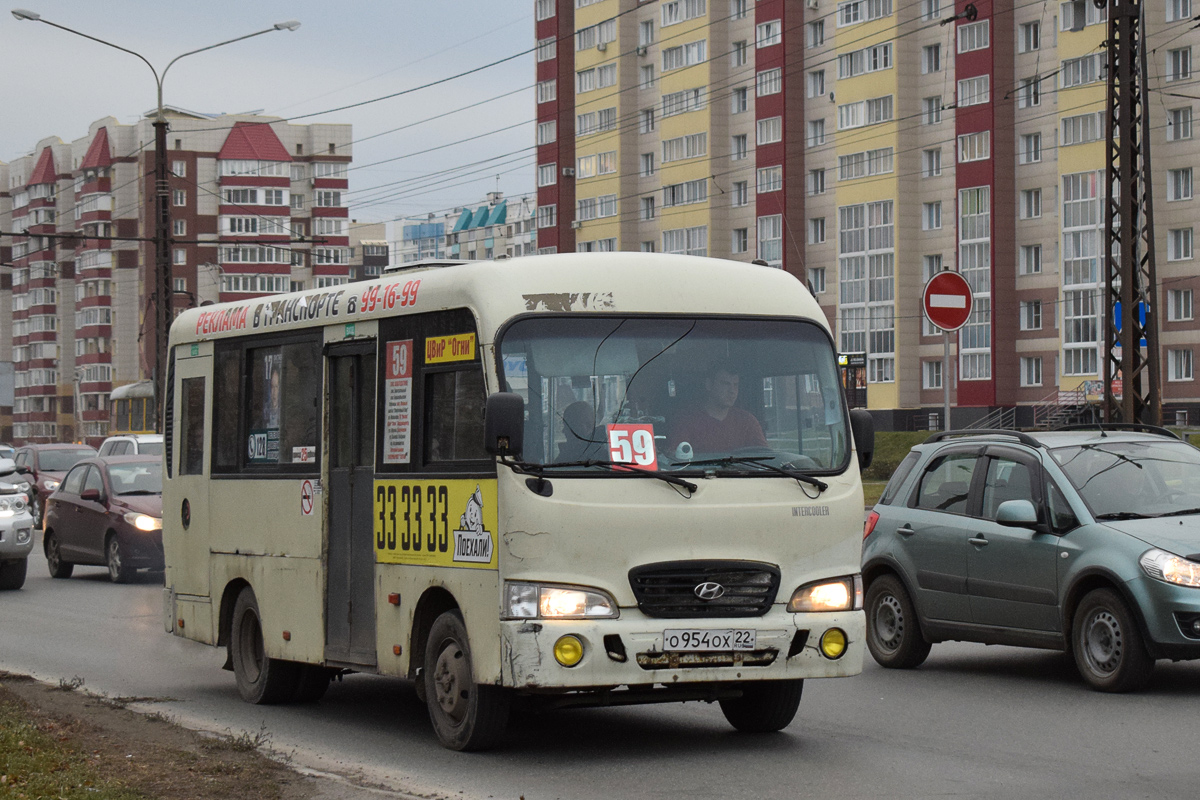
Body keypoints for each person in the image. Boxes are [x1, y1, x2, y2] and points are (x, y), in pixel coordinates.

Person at [671, 362, 767, 454]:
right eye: (725, 384)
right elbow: (676, 460)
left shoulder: (748, 421)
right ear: (709, 385)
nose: (732, 391)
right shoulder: (687, 420)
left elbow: (765, 457)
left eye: (735, 385)